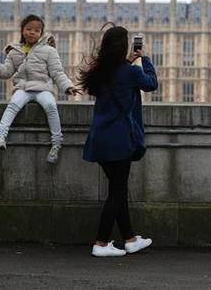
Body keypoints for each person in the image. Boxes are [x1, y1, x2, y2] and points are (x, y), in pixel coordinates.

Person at [79, 24, 157, 257]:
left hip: (99, 139)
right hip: (119, 140)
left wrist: (128, 62)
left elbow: (115, 78)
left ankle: (130, 239)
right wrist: (144, 60)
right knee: (116, 193)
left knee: (118, 190)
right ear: (123, 47)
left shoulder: (101, 71)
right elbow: (151, 84)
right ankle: (101, 243)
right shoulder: (130, 72)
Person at [0, 15, 80, 163]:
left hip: (43, 88)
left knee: (51, 106)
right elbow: (5, 72)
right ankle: (0, 135)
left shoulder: (49, 51)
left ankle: (56, 143)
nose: (32, 32)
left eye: (36, 30)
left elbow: (57, 73)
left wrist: (68, 86)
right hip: (23, 88)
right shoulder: (14, 51)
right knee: (13, 105)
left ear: (41, 33)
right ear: (22, 30)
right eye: (29, 29)